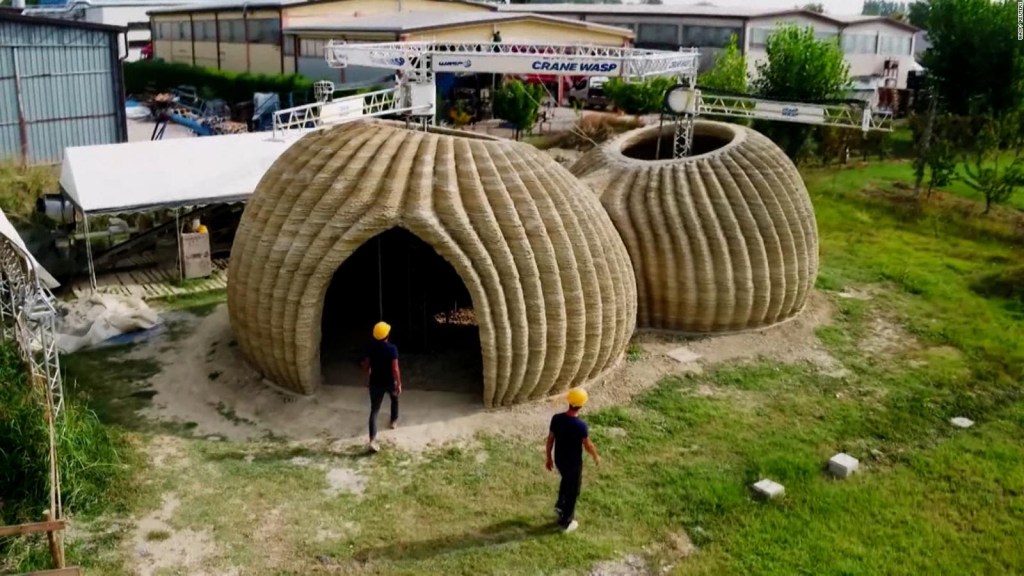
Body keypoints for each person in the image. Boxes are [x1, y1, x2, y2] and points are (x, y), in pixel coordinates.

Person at [545, 387, 600, 533]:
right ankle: (566, 522)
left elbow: (550, 440)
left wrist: (548, 458)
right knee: (573, 491)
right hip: (573, 465)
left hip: (559, 460)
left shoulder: (557, 419)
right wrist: (595, 455)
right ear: (582, 405)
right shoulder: (580, 426)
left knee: (566, 480)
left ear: (569, 402)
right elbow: (587, 445)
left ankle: (560, 505)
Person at [361, 321, 402, 453]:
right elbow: (395, 369)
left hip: (375, 383)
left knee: (374, 411)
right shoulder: (392, 349)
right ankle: (393, 421)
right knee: (394, 399)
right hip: (390, 382)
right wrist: (399, 383)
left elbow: (366, 366)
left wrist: (367, 377)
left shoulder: (370, 348)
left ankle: (372, 440)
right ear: (387, 335)